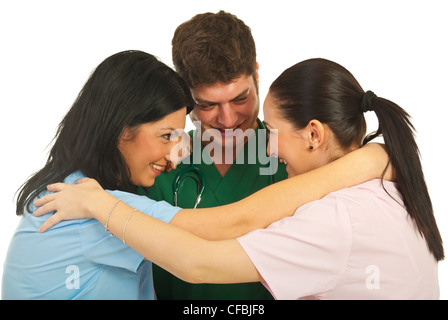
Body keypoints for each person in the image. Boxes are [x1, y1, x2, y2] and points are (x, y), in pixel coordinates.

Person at [35, 58, 443, 300]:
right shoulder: (385, 180)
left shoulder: (337, 219)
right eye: (208, 104)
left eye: (275, 132)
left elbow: (198, 263)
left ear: (315, 134)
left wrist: (100, 204)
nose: (267, 147)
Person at [143, 10, 288, 300]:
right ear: (184, 95)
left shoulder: (294, 160)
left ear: (256, 75)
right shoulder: (156, 166)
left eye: (240, 98)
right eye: (208, 104)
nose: (228, 118)